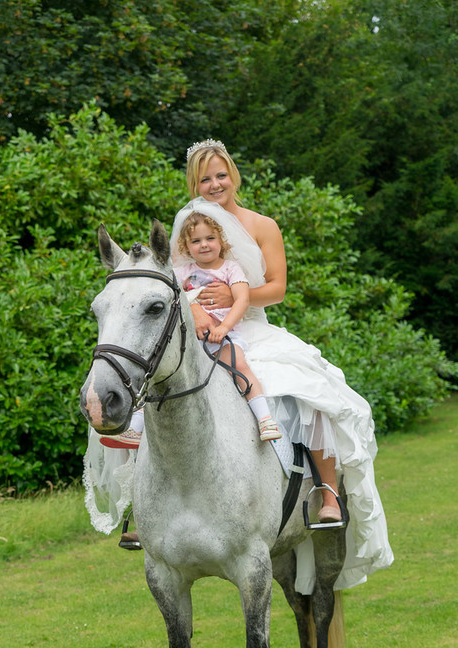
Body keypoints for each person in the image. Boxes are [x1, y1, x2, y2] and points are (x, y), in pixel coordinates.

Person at [84, 139, 394, 592]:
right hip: (197, 333)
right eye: (204, 178)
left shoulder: (261, 225)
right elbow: (169, 286)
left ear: (234, 174)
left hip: (249, 325)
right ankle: (141, 503)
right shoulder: (187, 226)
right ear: (195, 183)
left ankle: (325, 490)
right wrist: (197, 311)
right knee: (150, 394)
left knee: (309, 393)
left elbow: (278, 287)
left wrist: (234, 296)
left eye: (220, 175)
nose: (214, 185)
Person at [174, 210, 281, 441]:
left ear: (221, 241)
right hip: (191, 339)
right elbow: (173, 296)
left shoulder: (230, 269)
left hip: (224, 335)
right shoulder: (182, 272)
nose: (204, 245)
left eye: (210, 238)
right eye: (196, 241)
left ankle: (265, 419)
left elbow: (241, 299)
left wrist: (224, 328)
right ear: (186, 247)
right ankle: (138, 422)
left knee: (238, 365)